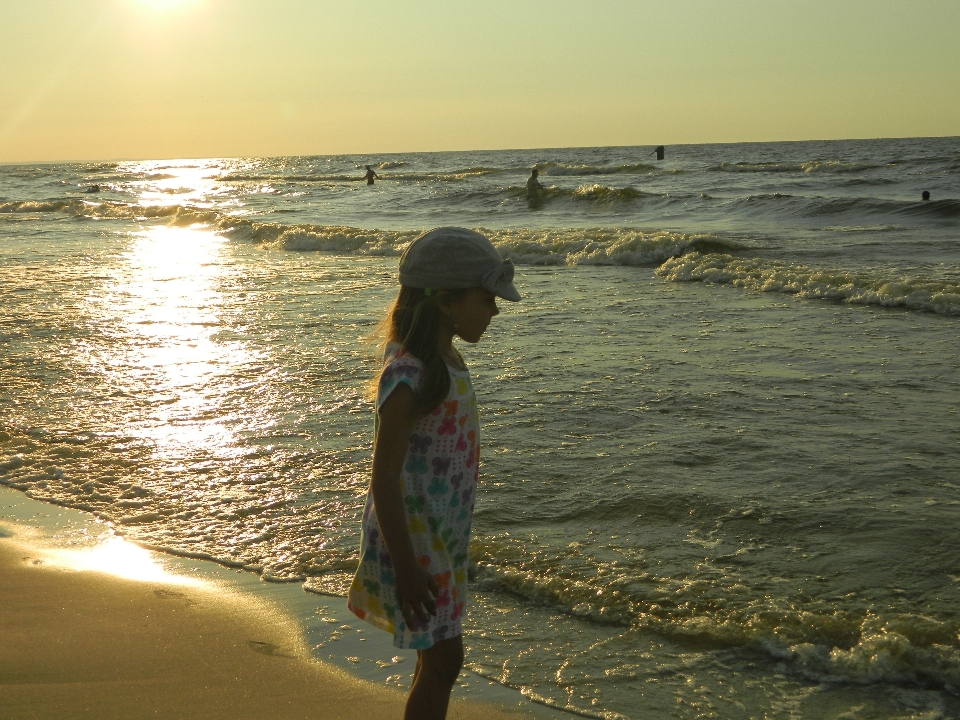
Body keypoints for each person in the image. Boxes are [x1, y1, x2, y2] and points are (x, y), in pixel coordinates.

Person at [347, 227, 521, 720]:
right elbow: (383, 476)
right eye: (486, 298)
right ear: (446, 301)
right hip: (416, 538)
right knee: (445, 659)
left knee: (437, 658)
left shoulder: (446, 359)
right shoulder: (411, 373)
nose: (494, 309)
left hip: (441, 533)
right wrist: (406, 566)